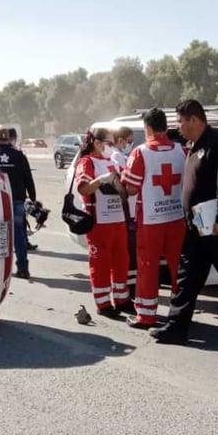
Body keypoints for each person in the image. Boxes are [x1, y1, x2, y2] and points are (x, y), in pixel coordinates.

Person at [150, 100, 218, 344]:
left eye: (180, 121)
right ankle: (176, 327)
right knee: (187, 276)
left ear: (194, 120)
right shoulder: (193, 145)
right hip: (197, 226)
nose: (178, 127)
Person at [121, 108, 187, 329]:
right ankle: (182, 314)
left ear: (147, 128)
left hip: (151, 220)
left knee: (147, 266)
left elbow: (130, 188)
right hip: (177, 217)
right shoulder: (181, 150)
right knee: (178, 266)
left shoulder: (141, 152)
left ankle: (146, 316)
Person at [75, 128, 135, 318]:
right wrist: (100, 180)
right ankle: (103, 303)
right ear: (97, 143)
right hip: (99, 222)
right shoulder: (87, 162)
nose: (113, 147)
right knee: (101, 263)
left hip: (117, 219)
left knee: (121, 261)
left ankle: (122, 299)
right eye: (109, 143)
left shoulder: (110, 161)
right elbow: (83, 188)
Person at [0, 126, 36, 279]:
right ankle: (23, 267)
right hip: (17, 198)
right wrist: (33, 197)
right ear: (9, 139)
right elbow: (28, 177)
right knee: (18, 232)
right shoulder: (18, 155)